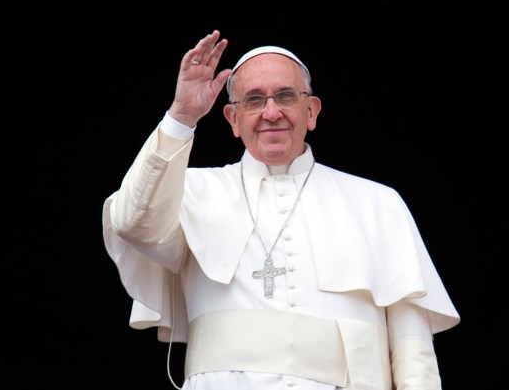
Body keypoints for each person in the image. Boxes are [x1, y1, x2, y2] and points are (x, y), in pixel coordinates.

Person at [102, 30, 460, 390]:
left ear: (311, 111)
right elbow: (131, 223)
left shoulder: (378, 204)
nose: (271, 112)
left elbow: (413, 350)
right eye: (254, 100)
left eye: (285, 96)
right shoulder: (190, 192)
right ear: (233, 120)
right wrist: (181, 117)